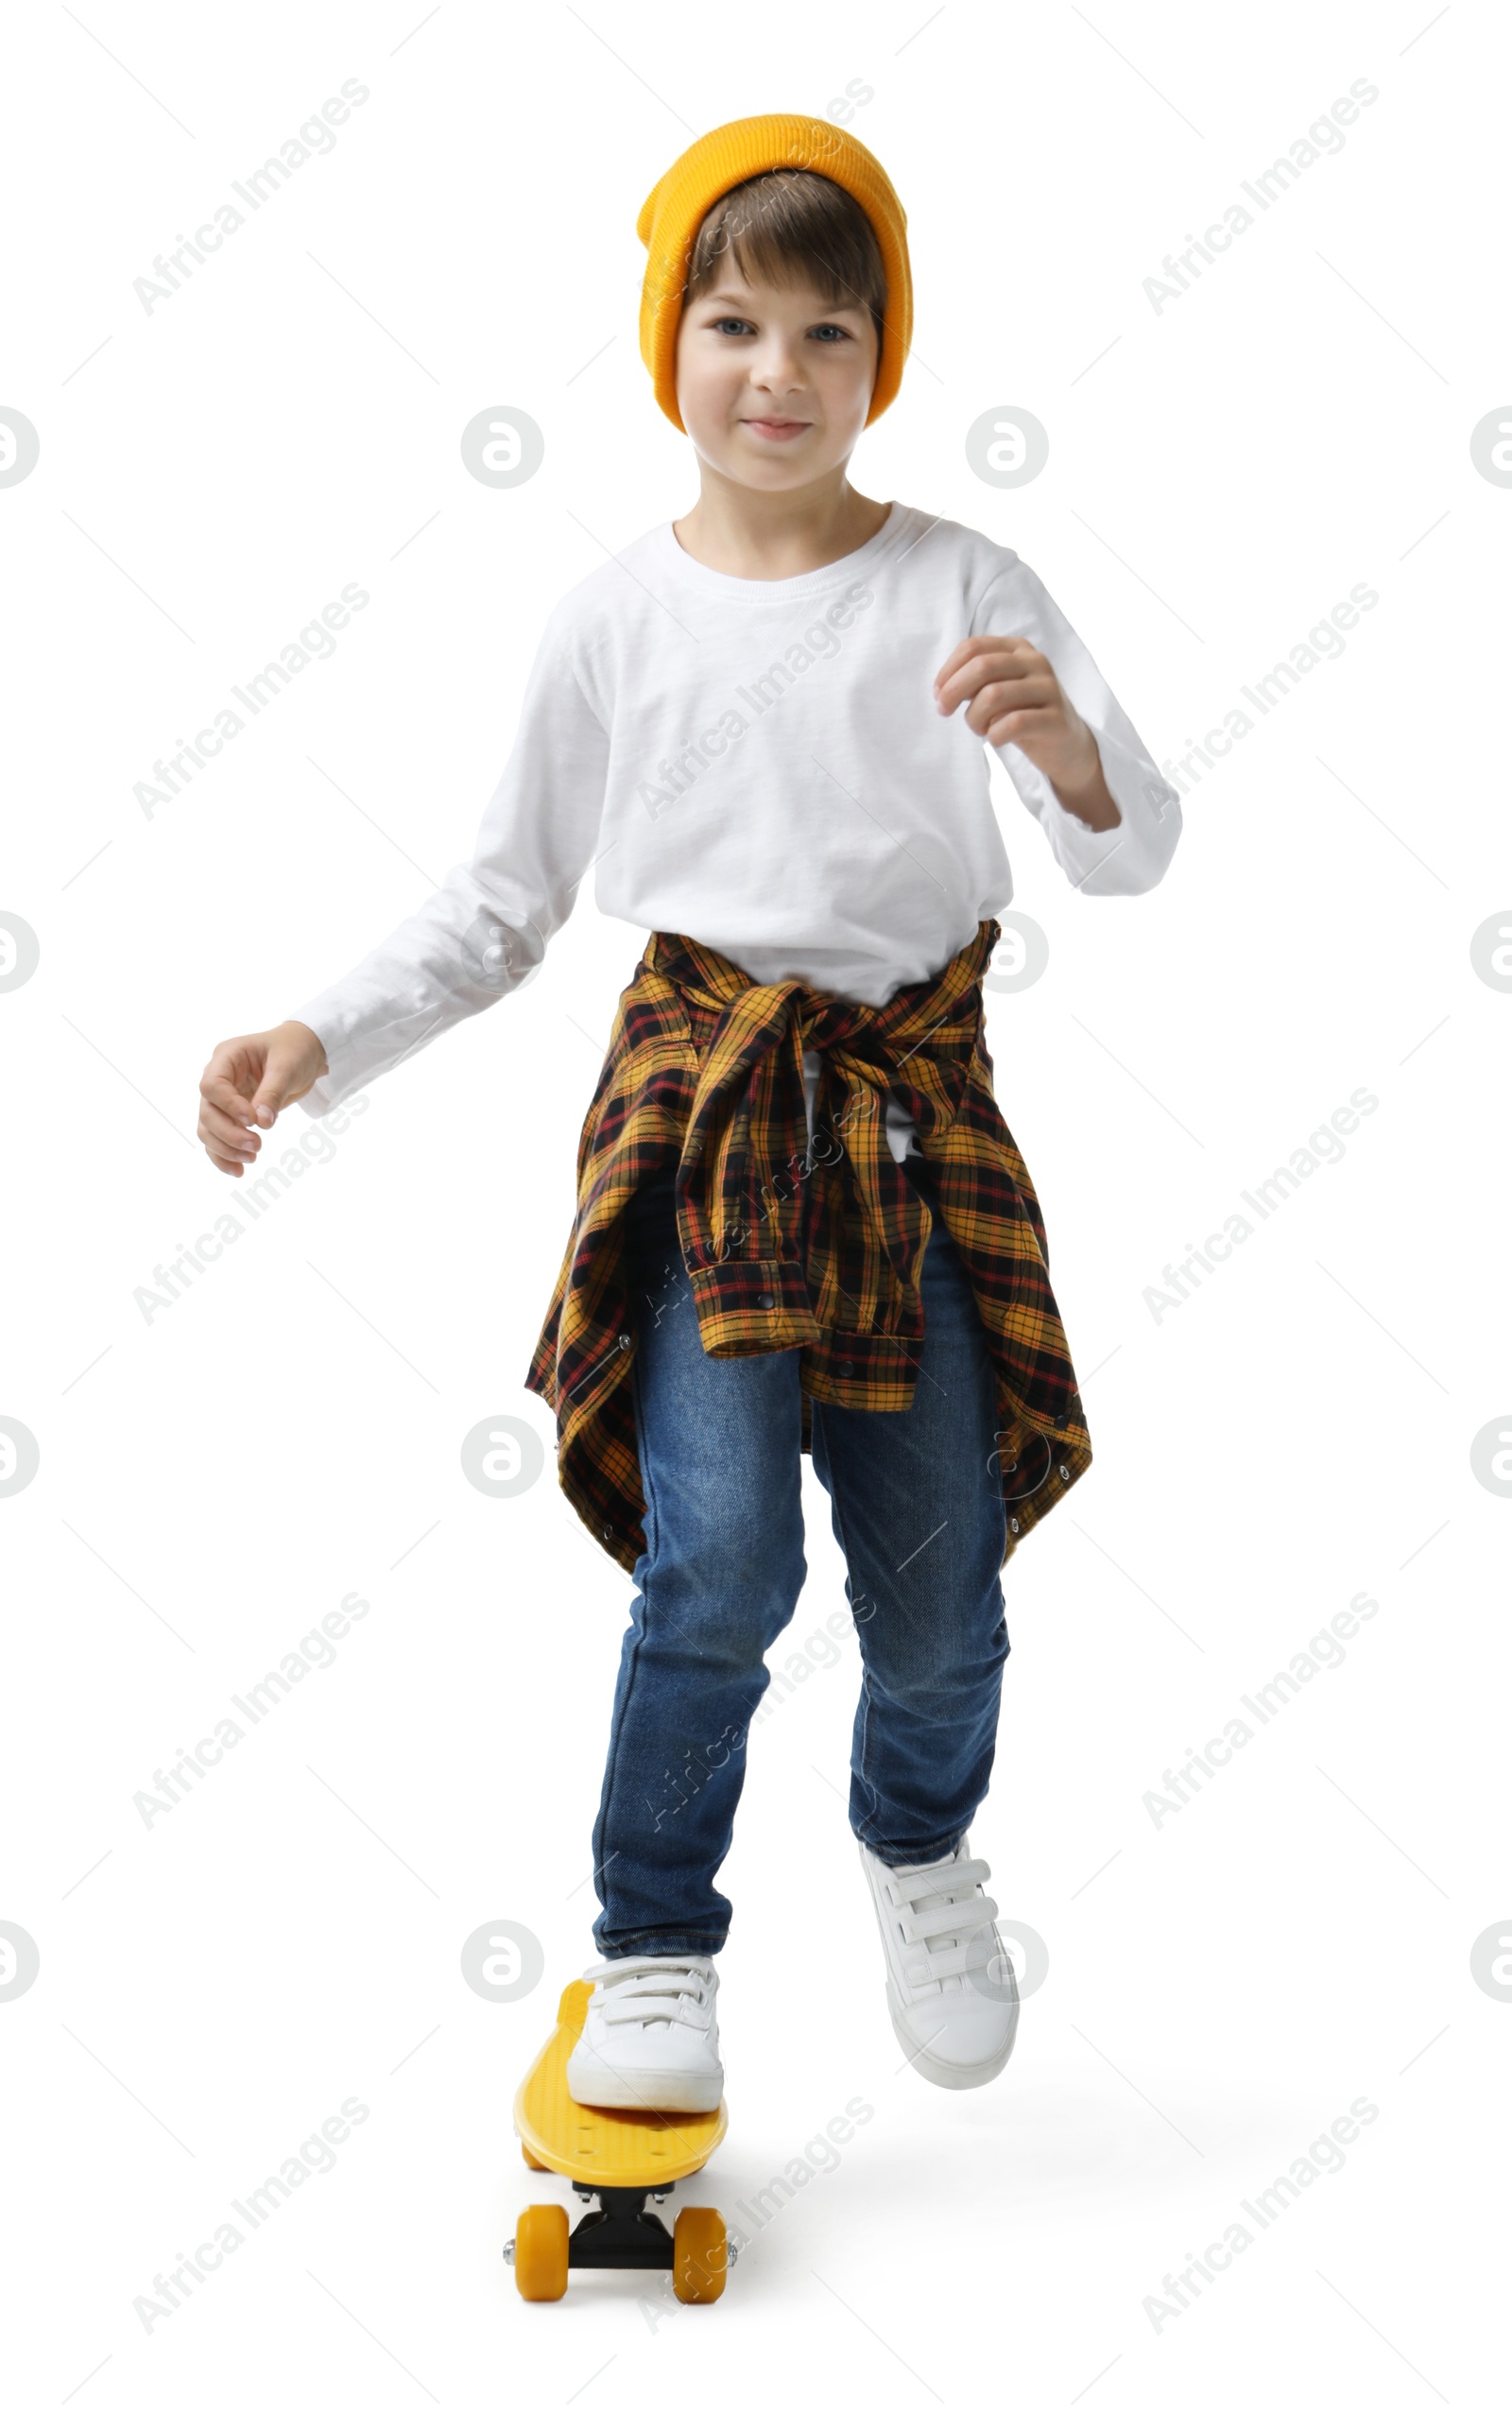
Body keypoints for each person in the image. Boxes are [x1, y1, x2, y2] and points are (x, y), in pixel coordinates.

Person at [197, 114, 1181, 2112]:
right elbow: (498, 905)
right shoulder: (607, 620)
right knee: (716, 1560)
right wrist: (315, 1030)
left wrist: (1072, 753)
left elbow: (1130, 851)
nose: (777, 375)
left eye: (830, 332)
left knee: (938, 1592)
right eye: (732, 323)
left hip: (907, 1132)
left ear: (877, 360)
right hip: (706, 1131)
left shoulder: (965, 579)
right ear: (668, 348)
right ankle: (654, 1939)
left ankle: (917, 1846)